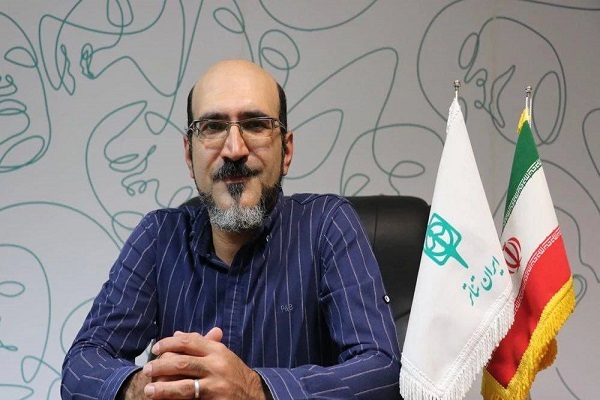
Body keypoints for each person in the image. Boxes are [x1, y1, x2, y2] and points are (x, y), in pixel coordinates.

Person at [61, 59, 401, 399]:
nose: (235, 149)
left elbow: (381, 370)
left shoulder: (328, 224)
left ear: (286, 151)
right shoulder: (158, 237)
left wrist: (255, 389)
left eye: (255, 125)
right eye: (212, 127)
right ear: (189, 156)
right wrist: (144, 388)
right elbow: (81, 365)